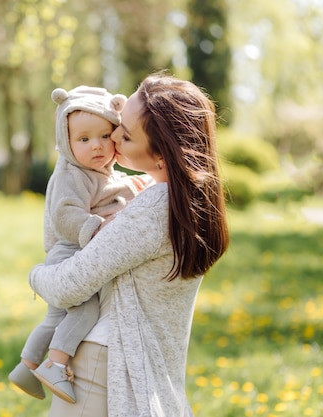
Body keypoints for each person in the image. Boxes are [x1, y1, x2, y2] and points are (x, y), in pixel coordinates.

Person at [28, 72, 230, 417]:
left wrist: (35, 274)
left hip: (100, 369)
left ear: (162, 156)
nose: (114, 136)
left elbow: (67, 287)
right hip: (132, 366)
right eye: (119, 123)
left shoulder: (153, 209)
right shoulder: (186, 203)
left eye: (127, 134)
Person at [8, 86, 150, 404]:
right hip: (71, 249)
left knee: (56, 318)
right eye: (84, 140)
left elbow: (106, 190)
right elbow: (66, 215)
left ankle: (26, 365)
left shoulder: (92, 170)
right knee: (85, 309)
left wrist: (132, 184)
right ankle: (56, 364)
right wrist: (97, 228)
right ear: (66, 142)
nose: (96, 147)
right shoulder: (72, 173)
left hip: (72, 249)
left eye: (104, 136)